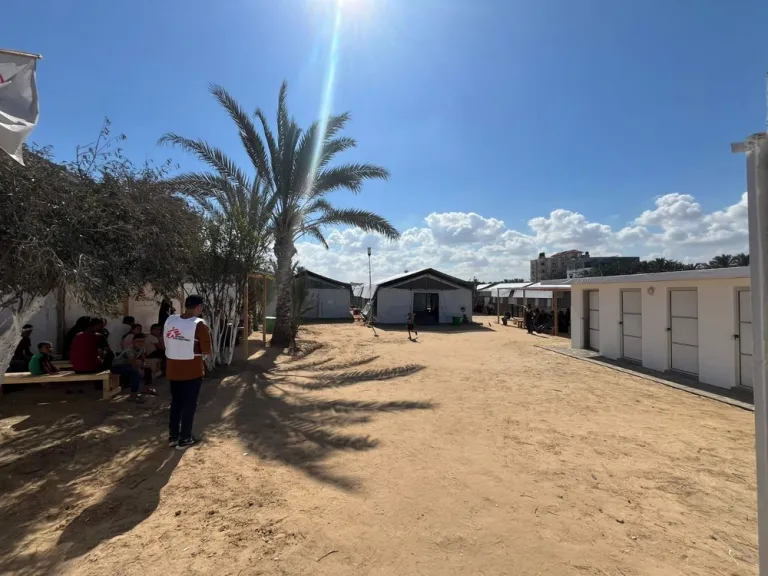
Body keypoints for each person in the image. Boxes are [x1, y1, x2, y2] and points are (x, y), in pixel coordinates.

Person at [164, 294, 211, 450]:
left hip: (173, 368)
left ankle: (173, 436)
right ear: (199, 307)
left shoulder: (171, 320)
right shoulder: (199, 324)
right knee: (189, 404)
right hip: (192, 370)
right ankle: (185, 438)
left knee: (176, 402)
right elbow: (206, 349)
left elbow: (167, 341)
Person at [112, 332, 156, 403]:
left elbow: (143, 359)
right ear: (133, 342)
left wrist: (145, 366)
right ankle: (133, 395)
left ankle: (146, 388)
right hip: (117, 367)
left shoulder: (141, 349)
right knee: (135, 371)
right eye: (138, 341)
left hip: (128, 366)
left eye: (142, 341)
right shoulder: (130, 350)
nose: (140, 343)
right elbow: (134, 364)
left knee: (146, 369)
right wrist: (141, 369)